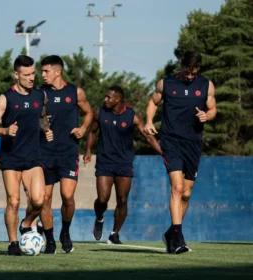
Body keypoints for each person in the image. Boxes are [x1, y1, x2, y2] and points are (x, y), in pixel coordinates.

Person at [144, 50, 217, 254]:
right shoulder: (166, 83)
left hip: (193, 143)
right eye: (187, 71)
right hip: (171, 141)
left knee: (186, 193)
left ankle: (171, 233)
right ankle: (177, 236)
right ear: (181, 65)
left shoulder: (206, 85)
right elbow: (153, 102)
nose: (190, 75)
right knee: (176, 188)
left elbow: (213, 109)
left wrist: (207, 115)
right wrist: (149, 121)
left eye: (194, 72)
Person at [0, 55, 53, 256]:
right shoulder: (6, 98)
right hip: (11, 158)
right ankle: (13, 242)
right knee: (13, 201)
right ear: (16, 75)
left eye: (33, 73)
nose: (32, 78)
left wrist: (46, 129)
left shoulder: (40, 95)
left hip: (33, 156)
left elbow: (41, 116)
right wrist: (5, 131)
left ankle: (27, 223)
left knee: (39, 200)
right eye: (27, 74)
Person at [83, 86, 162, 244]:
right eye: (106, 97)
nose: (105, 99)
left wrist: (162, 152)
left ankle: (114, 234)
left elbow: (147, 137)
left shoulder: (132, 116)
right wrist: (88, 150)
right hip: (105, 161)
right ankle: (99, 218)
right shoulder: (101, 113)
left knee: (122, 200)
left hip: (124, 163)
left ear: (118, 99)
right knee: (103, 199)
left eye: (109, 97)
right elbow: (92, 131)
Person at [38, 55, 93, 254]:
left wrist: (83, 128)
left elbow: (88, 112)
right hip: (44, 152)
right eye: (41, 71)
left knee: (67, 196)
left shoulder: (75, 92)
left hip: (68, 153)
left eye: (46, 71)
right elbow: (34, 119)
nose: (42, 75)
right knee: (45, 199)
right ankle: (50, 239)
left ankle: (65, 232)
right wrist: (43, 125)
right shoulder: (39, 94)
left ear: (57, 71)